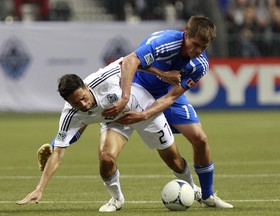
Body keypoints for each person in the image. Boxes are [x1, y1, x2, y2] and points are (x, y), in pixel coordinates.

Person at [16, 58, 201, 212]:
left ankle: (192, 189)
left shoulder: (104, 78)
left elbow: (134, 60)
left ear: (86, 86)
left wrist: (162, 74)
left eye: (84, 98)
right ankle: (117, 198)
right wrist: (39, 188)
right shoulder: (70, 115)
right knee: (106, 158)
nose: (84, 105)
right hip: (115, 122)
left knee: (174, 161)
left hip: (143, 109)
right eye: (76, 103)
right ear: (67, 102)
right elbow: (58, 154)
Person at [102, 15, 233, 208]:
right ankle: (116, 197)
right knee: (108, 153)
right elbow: (131, 61)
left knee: (200, 138)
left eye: (203, 48)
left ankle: (207, 196)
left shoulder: (200, 65)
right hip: (139, 89)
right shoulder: (164, 43)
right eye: (195, 44)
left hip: (165, 93)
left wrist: (146, 114)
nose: (197, 51)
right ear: (186, 34)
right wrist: (125, 98)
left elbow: (171, 97)